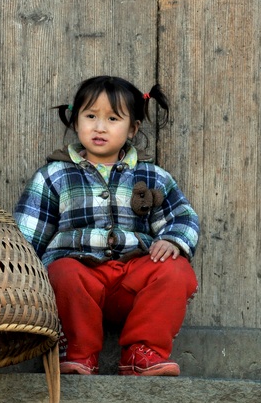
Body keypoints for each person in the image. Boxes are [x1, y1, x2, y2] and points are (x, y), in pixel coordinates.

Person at [14, 75, 199, 376]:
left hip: (133, 281)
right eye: (90, 116)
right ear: (76, 121)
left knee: (176, 271)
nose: (99, 127)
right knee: (62, 271)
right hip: (80, 280)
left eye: (112, 118)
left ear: (133, 128)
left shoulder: (153, 176)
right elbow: (28, 233)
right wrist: (20, 279)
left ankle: (143, 352)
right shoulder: (54, 175)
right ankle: (78, 352)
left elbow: (182, 217)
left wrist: (174, 240)